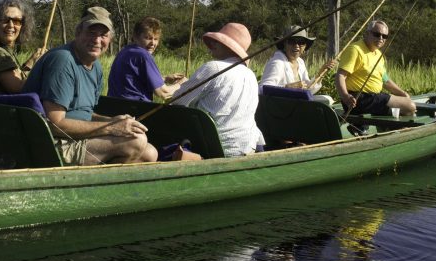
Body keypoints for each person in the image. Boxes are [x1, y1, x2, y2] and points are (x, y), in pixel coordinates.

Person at [22, 7, 158, 166]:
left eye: (103, 35)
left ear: (110, 40)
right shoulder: (63, 61)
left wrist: (114, 120)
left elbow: (84, 114)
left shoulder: (97, 67)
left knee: (150, 153)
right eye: (91, 32)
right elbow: (54, 123)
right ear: (78, 32)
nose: (97, 40)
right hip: (52, 144)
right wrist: (110, 127)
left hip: (76, 138)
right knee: (135, 142)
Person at [172, 23, 265, 156]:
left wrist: (180, 86)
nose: (213, 44)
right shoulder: (250, 75)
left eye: (218, 42)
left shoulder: (213, 67)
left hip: (216, 148)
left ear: (230, 47)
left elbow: (177, 102)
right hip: (248, 146)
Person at [335, 20, 416, 117]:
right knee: (410, 106)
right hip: (359, 99)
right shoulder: (355, 50)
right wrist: (345, 96)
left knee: (406, 102)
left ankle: (390, 128)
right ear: (367, 34)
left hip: (374, 98)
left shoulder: (378, 54)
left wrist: (403, 93)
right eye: (377, 34)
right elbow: (340, 75)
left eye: (384, 36)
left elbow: (385, 80)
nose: (381, 38)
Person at [108, 16, 186, 101]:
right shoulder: (143, 55)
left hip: (115, 107)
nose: (153, 43)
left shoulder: (125, 51)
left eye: (156, 39)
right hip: (135, 110)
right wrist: (182, 84)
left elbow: (136, 81)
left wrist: (166, 78)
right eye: (148, 38)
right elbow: (163, 93)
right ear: (135, 37)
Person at [0, 0, 46, 94]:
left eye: (16, 21)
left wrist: (31, 62)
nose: (11, 25)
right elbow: (18, 88)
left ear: (22, 26)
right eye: (5, 19)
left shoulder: (5, 50)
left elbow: (16, 78)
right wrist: (42, 71)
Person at [260, 25, 336, 105]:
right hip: (280, 108)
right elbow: (262, 89)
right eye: (292, 41)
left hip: (296, 107)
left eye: (300, 42)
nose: (296, 46)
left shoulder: (300, 62)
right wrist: (287, 87)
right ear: (284, 44)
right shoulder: (277, 63)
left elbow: (308, 90)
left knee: (327, 99)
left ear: (305, 46)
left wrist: (321, 72)